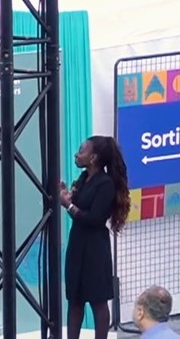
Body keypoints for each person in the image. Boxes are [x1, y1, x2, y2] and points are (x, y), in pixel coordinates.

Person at [60, 136, 130, 339]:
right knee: (75, 300)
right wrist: (67, 196)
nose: (76, 154)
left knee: (98, 301)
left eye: (81, 151)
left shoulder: (105, 184)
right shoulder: (83, 179)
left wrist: (69, 206)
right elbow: (78, 211)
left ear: (93, 157)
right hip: (77, 245)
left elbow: (94, 219)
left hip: (95, 250)